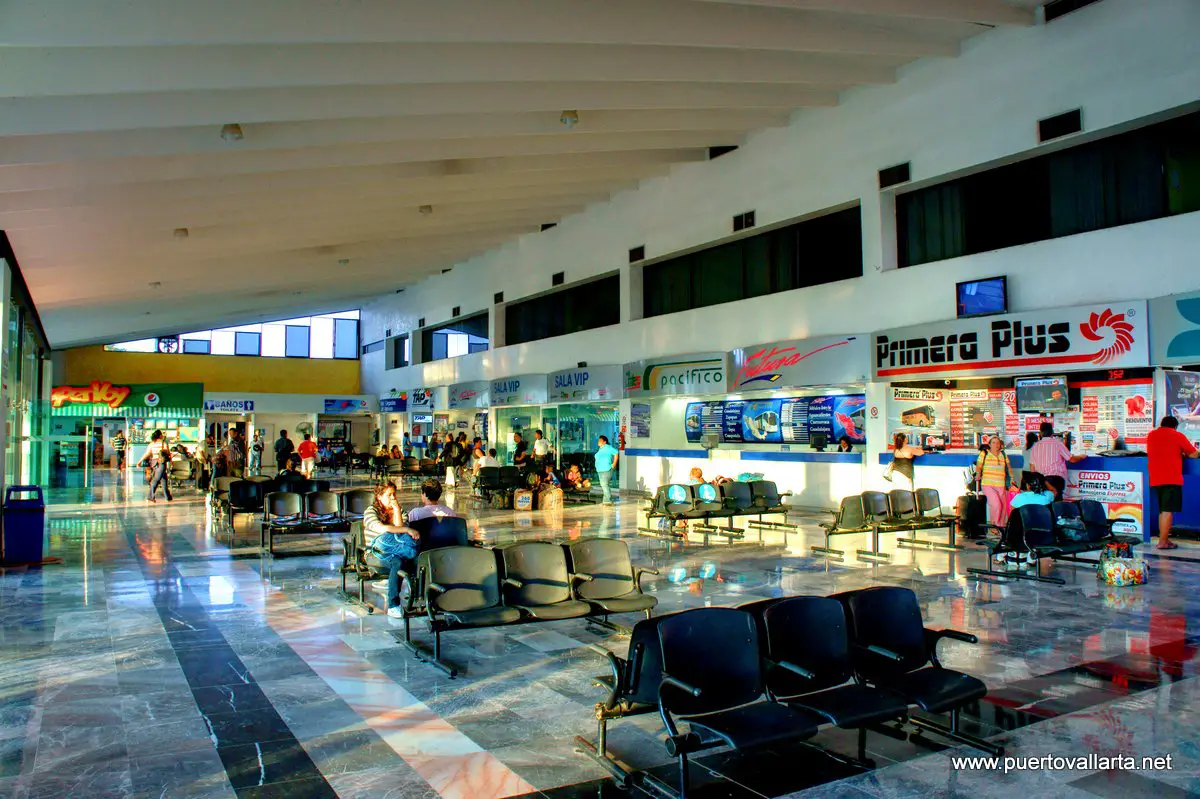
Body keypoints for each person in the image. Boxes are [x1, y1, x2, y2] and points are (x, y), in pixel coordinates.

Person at [362, 483, 421, 618]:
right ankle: (393, 605)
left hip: (397, 550)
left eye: (394, 494)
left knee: (409, 557)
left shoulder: (400, 511)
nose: (393, 498)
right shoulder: (370, 511)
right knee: (396, 557)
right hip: (376, 553)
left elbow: (400, 531)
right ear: (379, 497)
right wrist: (406, 529)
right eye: (389, 495)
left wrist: (396, 510)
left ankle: (418, 596)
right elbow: (381, 528)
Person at [1147, 415, 1198, 550]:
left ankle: (1164, 539)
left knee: (1162, 510)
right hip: (1171, 478)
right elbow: (1193, 454)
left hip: (1155, 478)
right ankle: (1162, 542)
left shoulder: (1151, 435)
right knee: (1167, 511)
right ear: (1175, 426)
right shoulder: (1177, 435)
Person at [1028, 422, 1083, 499]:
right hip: (1055, 480)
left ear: (1040, 433)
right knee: (1056, 506)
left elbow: (1032, 466)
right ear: (1052, 433)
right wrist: (1082, 456)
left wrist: (1035, 481)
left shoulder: (1035, 446)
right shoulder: (1058, 443)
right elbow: (1072, 459)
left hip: (1041, 480)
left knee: (1044, 504)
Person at [974, 436, 1013, 530]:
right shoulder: (984, 453)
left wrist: (1012, 478)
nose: (996, 445)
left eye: (998, 443)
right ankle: (994, 527)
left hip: (1001, 484)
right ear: (989, 444)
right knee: (996, 504)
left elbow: (1009, 467)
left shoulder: (1003, 454)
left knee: (1003, 506)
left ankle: (1000, 527)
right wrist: (978, 473)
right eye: (994, 442)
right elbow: (979, 466)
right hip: (988, 484)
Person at [137, 430, 173, 503]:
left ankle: (168, 497)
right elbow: (168, 453)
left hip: (154, 463)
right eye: (161, 434)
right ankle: (150, 497)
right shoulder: (164, 443)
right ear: (160, 435)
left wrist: (139, 461)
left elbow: (147, 454)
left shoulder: (152, 444)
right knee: (156, 479)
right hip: (161, 463)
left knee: (163, 479)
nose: (162, 436)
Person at [594, 435, 619, 504]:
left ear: (604, 442)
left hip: (606, 469)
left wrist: (614, 463)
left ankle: (607, 500)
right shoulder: (600, 449)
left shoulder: (608, 447)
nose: (598, 442)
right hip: (600, 469)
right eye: (598, 440)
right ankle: (606, 500)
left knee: (604, 484)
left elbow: (616, 452)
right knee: (603, 485)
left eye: (600, 440)